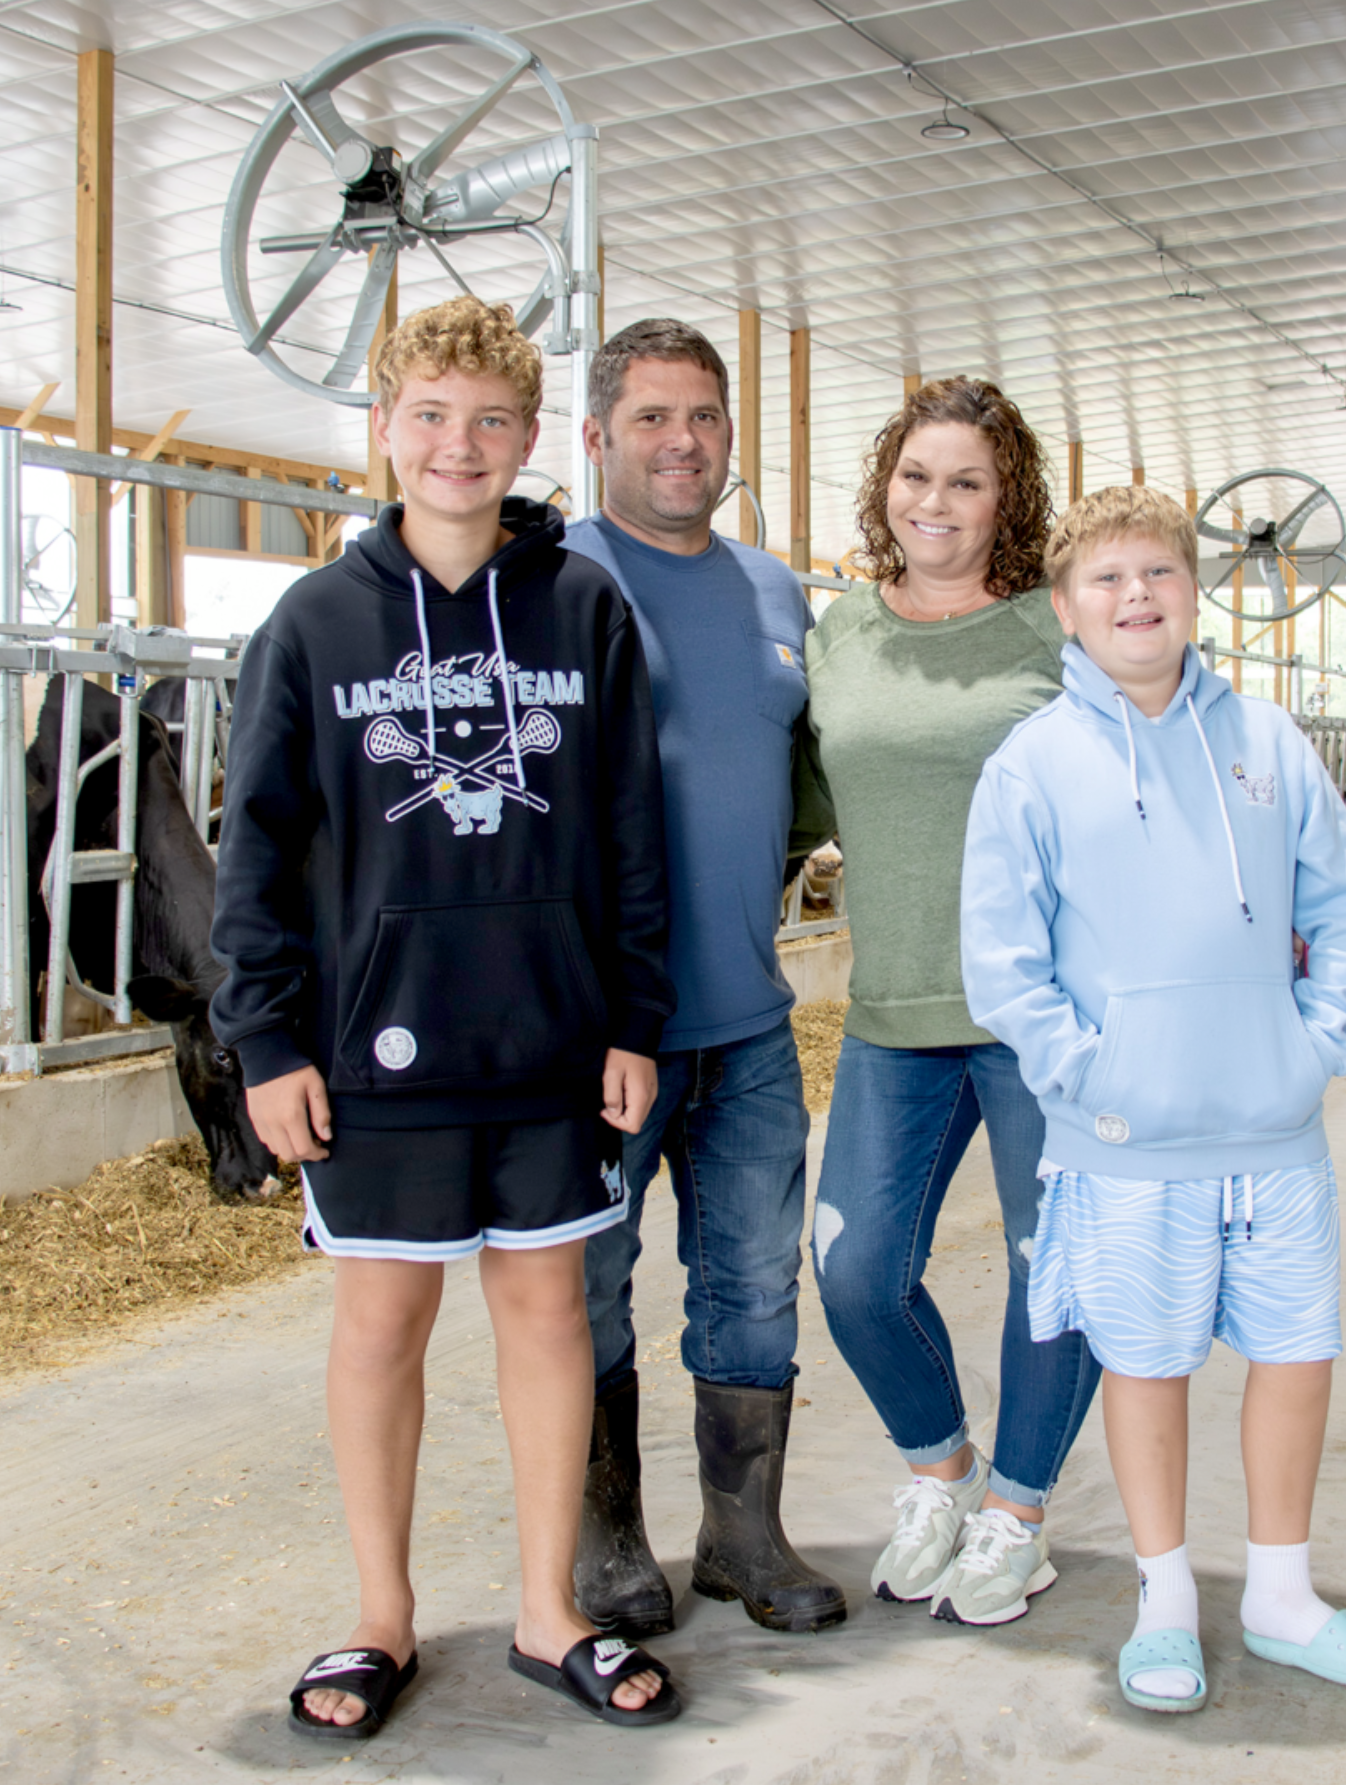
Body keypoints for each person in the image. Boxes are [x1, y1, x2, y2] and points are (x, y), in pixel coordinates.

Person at [210, 296, 681, 1740]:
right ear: (380, 431)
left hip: (547, 1033)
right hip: (374, 1047)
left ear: (529, 436)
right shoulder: (313, 622)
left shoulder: (583, 606)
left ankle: (550, 1612)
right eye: (427, 414)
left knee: (546, 1309)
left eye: (487, 419)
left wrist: (634, 1018)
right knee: (381, 1318)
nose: (457, 445)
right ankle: (380, 1616)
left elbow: (625, 833)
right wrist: (267, 1040)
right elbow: (256, 846)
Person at [957, 486, 1346, 1714]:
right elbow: (1003, 966)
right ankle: (1164, 1600)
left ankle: (1279, 1592)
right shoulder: (1031, 765)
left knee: (1295, 1353)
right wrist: (1095, 1075)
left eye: (1156, 571)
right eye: (1104, 580)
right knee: (1145, 1364)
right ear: (1062, 609)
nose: (1134, 596)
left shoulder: (1266, 743)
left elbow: (1344, 904)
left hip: (1273, 1128)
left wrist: (1317, 1042)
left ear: (1191, 591)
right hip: (1123, 1139)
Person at [803, 377, 1102, 1628]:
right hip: (892, 1009)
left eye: (966, 482)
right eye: (916, 475)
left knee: (1054, 1270)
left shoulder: (1055, 630)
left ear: (1005, 501)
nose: (936, 502)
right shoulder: (837, 634)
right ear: (886, 485)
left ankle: (1018, 1514)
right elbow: (805, 797)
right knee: (855, 1272)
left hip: (1043, 1016)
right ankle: (942, 1472)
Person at [562, 318, 845, 1637]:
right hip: (594, 1033)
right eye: (652, 418)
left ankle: (741, 1533)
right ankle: (603, 1538)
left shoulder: (773, 588)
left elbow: (797, 789)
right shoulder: (546, 575)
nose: (683, 443)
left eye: (704, 418)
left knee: (749, 1280)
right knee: (587, 1281)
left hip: (744, 1018)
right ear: (597, 436)